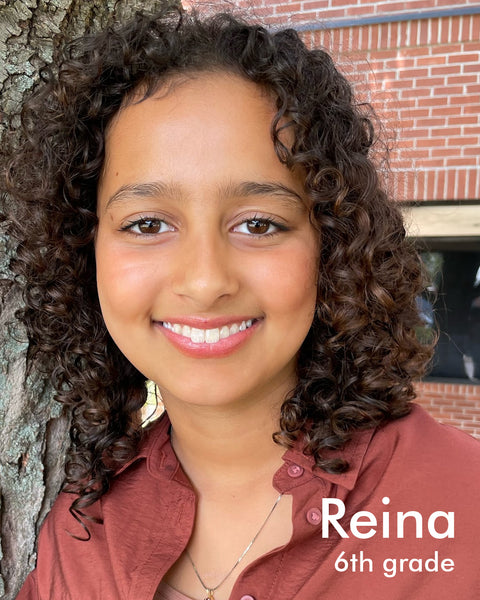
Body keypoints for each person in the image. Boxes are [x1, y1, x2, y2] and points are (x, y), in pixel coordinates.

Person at [4, 7, 480, 600]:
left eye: (259, 223)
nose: (205, 282)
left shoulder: (463, 514)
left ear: (329, 247)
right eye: (148, 223)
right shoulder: (79, 538)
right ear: (85, 250)